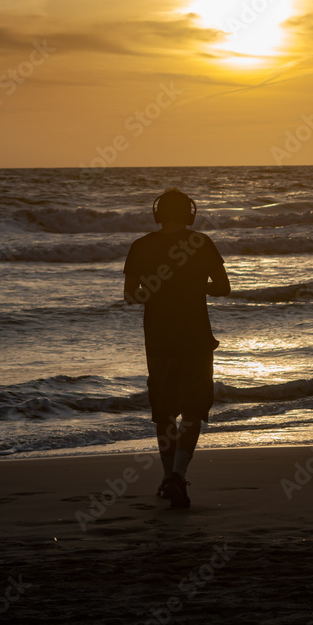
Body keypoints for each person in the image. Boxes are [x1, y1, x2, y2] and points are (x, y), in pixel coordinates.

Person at [123, 188, 230, 508]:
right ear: (189, 214)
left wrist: (157, 292)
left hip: (158, 340)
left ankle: (169, 475)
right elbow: (223, 288)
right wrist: (195, 286)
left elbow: (131, 296)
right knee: (195, 409)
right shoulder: (201, 242)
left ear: (158, 214)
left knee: (164, 411)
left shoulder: (140, 246)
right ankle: (178, 475)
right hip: (196, 338)